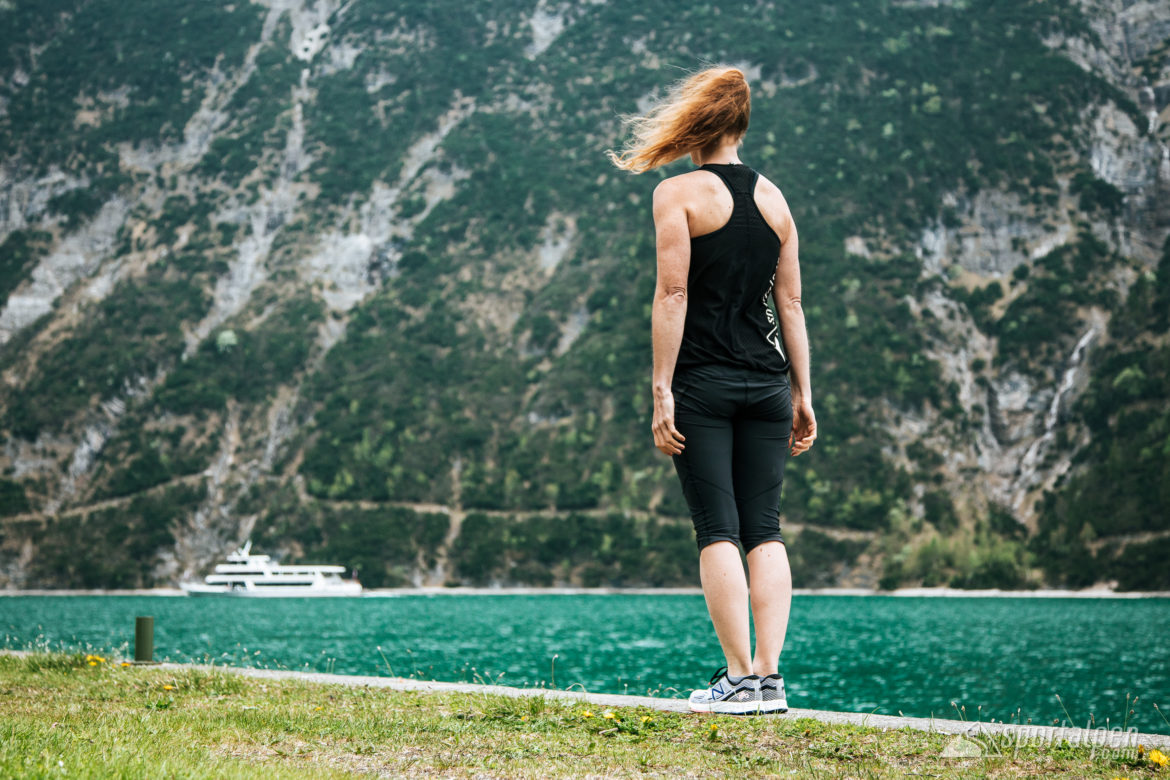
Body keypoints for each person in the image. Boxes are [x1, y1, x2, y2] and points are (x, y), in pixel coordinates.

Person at [608, 66, 817, 715]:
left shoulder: (680, 194)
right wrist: (804, 394)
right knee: (766, 529)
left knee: (717, 529)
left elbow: (673, 293)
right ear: (742, 125)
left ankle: (737, 678)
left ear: (695, 124)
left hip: (704, 382)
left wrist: (660, 388)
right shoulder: (776, 200)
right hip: (767, 384)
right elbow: (793, 305)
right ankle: (770, 679)